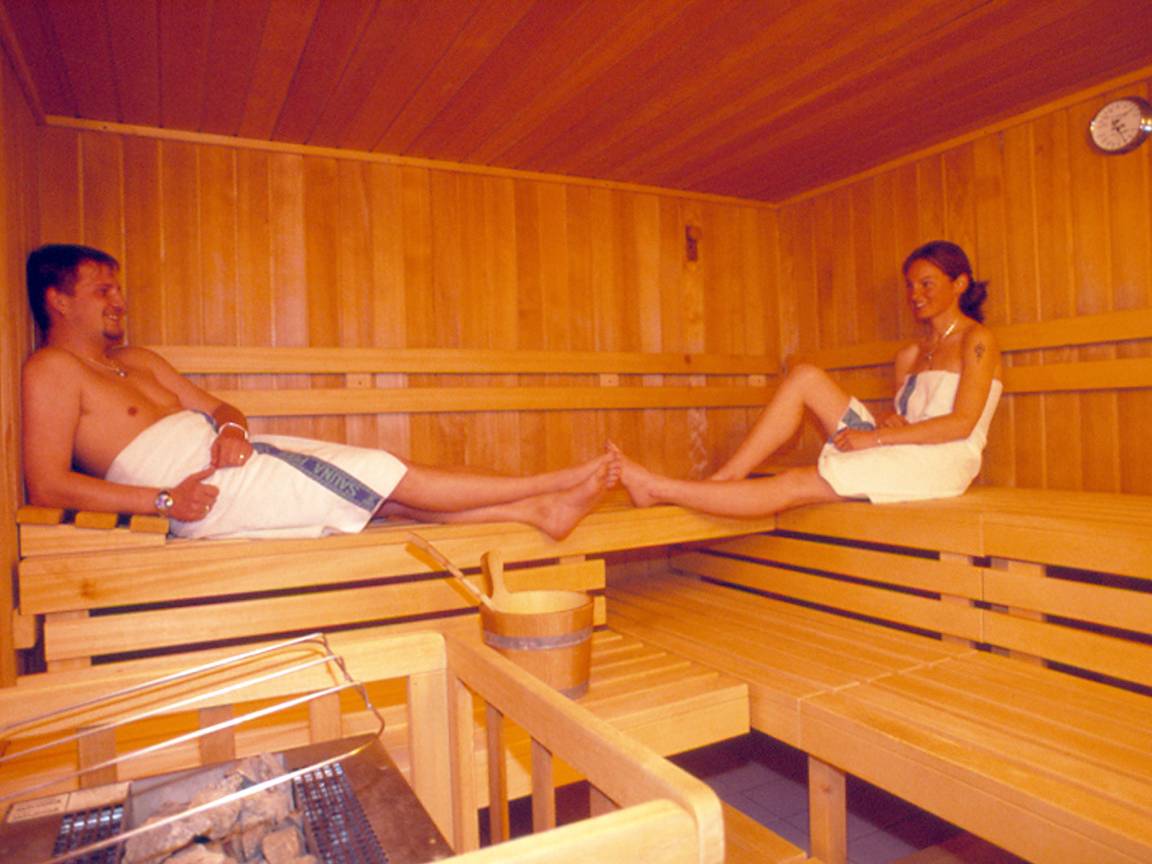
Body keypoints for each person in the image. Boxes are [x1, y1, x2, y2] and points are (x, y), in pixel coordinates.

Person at [21, 243, 619, 541]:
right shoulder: (52, 370)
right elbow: (47, 484)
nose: (120, 302)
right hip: (201, 492)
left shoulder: (136, 362)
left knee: (387, 498)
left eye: (118, 289)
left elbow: (222, 408)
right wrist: (163, 501)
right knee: (387, 473)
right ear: (58, 300)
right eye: (103, 291)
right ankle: (553, 482)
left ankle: (537, 512)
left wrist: (232, 429)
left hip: (237, 462)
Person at [615, 241, 1003, 516]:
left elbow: (961, 423)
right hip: (903, 446)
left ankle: (657, 489)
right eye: (910, 284)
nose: (914, 293)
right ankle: (727, 477)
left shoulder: (977, 341)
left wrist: (875, 438)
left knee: (795, 482)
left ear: (959, 284)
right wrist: (889, 422)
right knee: (805, 377)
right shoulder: (910, 355)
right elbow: (906, 418)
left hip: (943, 461)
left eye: (926, 283)